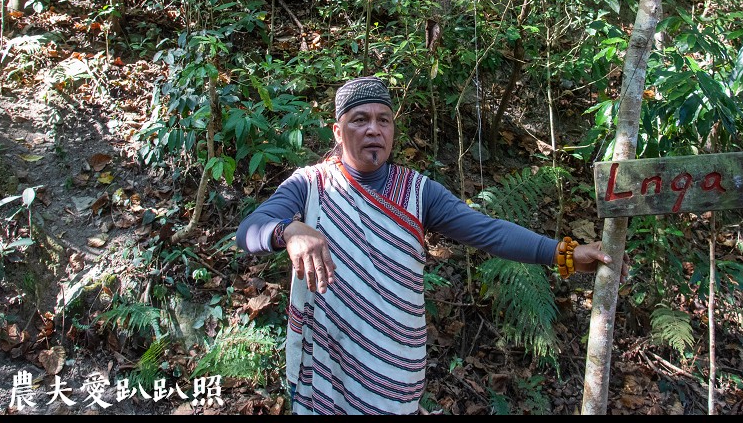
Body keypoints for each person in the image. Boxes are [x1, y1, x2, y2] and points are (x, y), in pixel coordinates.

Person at [236, 76, 624, 415]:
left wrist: (564, 252)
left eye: (383, 120)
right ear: (338, 132)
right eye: (360, 120)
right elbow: (250, 230)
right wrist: (288, 231)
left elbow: (487, 231)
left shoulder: (418, 192)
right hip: (329, 361)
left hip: (396, 360)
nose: (374, 130)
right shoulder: (309, 185)